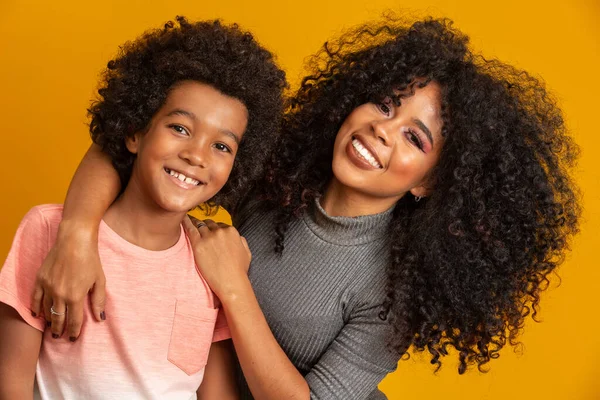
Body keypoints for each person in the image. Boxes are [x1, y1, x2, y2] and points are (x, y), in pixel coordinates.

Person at [28, 16, 580, 400]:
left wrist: (234, 287)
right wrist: (76, 235)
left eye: (415, 138)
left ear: (432, 184)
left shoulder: (393, 293)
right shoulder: (276, 175)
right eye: (383, 104)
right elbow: (130, 145)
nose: (380, 132)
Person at [0, 16, 286, 399]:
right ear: (135, 132)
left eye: (221, 146)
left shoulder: (211, 263)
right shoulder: (50, 230)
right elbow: (11, 384)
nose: (196, 155)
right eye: (180, 128)